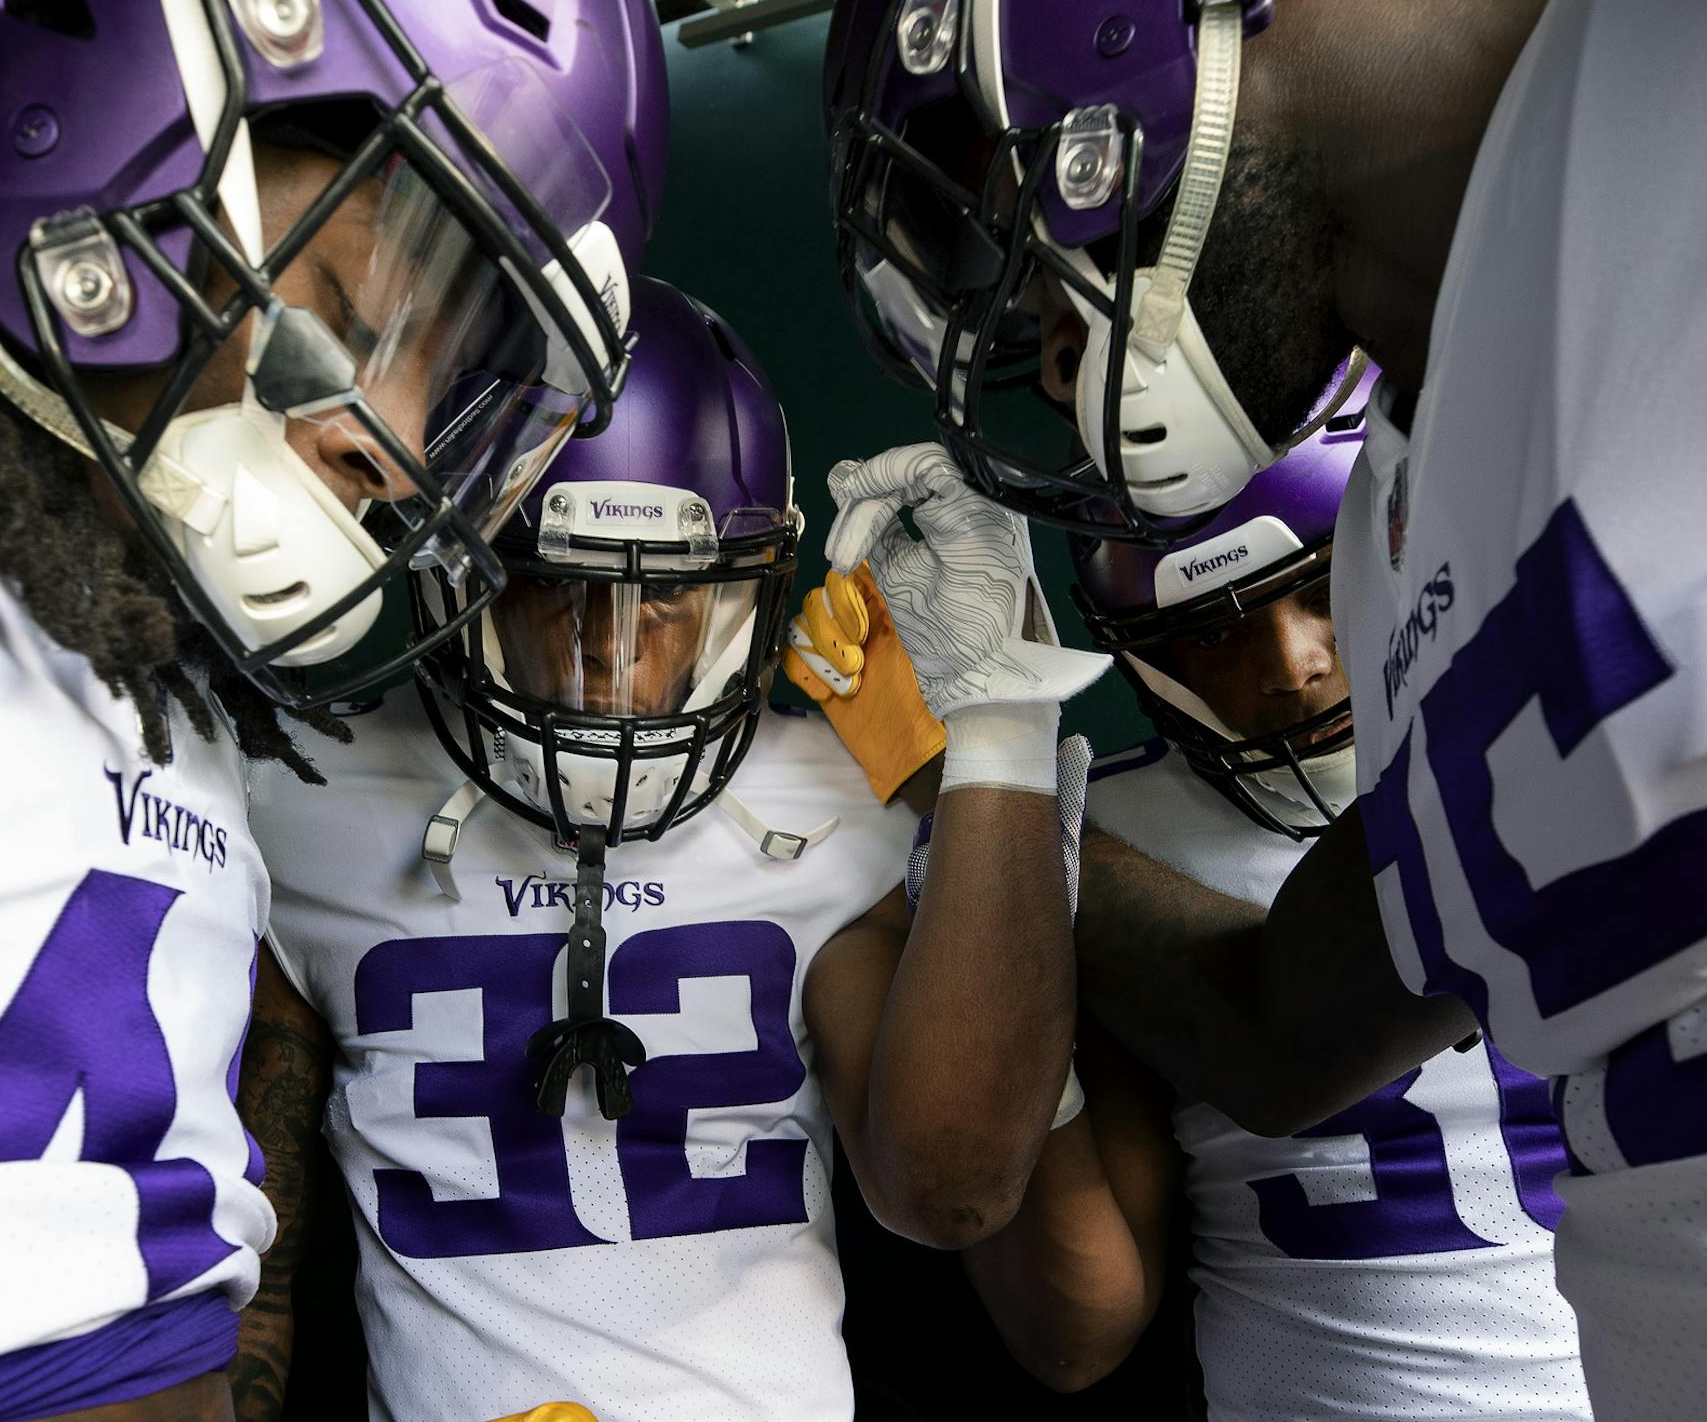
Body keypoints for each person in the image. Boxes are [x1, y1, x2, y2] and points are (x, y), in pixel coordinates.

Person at [823, 0, 1707, 1414]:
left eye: (1045, 258)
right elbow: (1282, 1032)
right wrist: (982, 751)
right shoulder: (1397, 532)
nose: (1054, 360)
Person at [0, 0, 663, 1416]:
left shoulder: (158, 671)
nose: (385, 446)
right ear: (135, 66)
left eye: (447, 373)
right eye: (375, 292)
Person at [240, 276, 1104, 1422]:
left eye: (667, 601)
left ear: (753, 586)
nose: (610, 655)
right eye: (561, 589)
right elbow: (246, 1282)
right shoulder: (300, 800)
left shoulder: (838, 806)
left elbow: (951, 1192)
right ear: (460, 570)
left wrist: (990, 743)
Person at [960, 407, 1591, 1418]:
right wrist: (987, 814)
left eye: (1316, 585)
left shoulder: (1560, 744)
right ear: (1133, 651)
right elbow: (1073, 1330)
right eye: (1210, 627)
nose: (1292, 666)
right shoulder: (1101, 827)